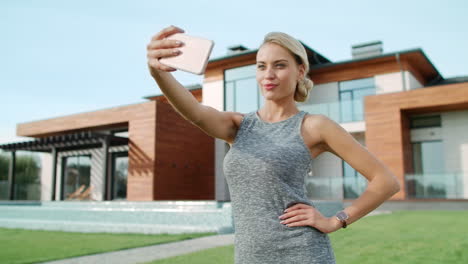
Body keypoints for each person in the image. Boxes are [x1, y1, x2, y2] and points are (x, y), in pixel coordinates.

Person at [147, 25, 401, 264]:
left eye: (279, 66)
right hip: (250, 256)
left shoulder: (314, 126)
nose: (268, 75)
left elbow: (385, 181)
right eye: (261, 66)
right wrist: (157, 72)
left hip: (301, 253)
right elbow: (195, 112)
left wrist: (337, 220)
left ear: (300, 71)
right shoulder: (239, 126)